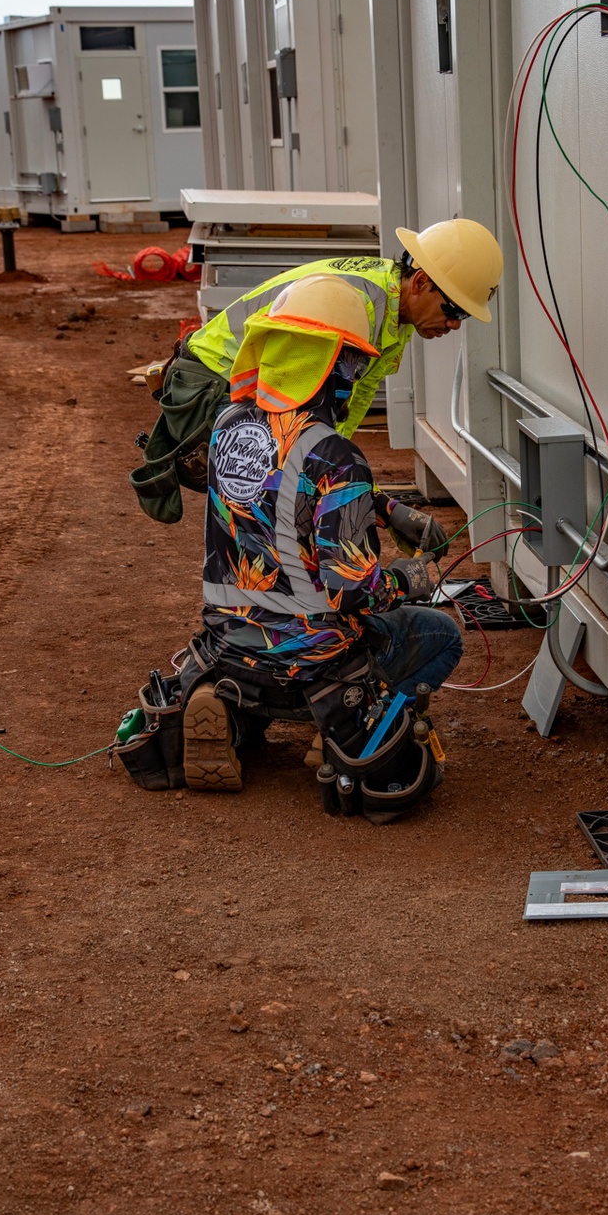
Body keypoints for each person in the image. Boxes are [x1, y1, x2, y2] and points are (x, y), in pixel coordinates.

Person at [175, 273, 464, 795]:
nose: (356, 373)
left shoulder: (228, 425)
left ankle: (231, 709)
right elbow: (354, 591)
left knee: (265, 638)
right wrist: (407, 580)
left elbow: (278, 490)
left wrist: (381, 505)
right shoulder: (338, 457)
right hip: (311, 657)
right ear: (328, 364)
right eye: (352, 360)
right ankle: (344, 722)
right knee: (441, 635)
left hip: (227, 640)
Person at [130, 218, 503, 523]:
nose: (455, 325)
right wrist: (370, 501)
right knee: (279, 492)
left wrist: (350, 476)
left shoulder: (393, 310)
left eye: (465, 315)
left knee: (304, 484)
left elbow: (348, 408)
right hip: (212, 386)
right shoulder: (351, 307)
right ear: (420, 282)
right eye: (453, 310)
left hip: (228, 381)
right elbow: (289, 418)